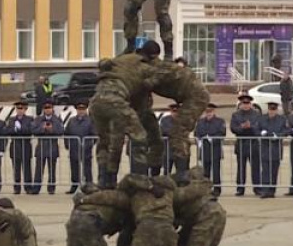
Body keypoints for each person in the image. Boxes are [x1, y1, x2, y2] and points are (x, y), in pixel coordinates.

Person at [90, 43, 162, 187]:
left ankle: (105, 179)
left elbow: (103, 63)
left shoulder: (121, 59)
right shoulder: (144, 67)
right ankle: (139, 178)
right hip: (116, 101)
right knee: (139, 137)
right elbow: (160, 81)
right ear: (152, 56)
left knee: (105, 141)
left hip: (96, 102)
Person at [146, 59, 211, 185]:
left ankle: (182, 173)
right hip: (189, 98)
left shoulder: (163, 72)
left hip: (196, 98)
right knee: (175, 135)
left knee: (178, 133)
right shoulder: (162, 69)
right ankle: (171, 170)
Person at [230, 94, 262, 196]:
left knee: (255, 168)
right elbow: (233, 128)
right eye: (244, 103)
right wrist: (243, 127)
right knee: (241, 168)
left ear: (250, 104)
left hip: (253, 144)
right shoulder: (236, 115)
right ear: (241, 104)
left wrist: (250, 127)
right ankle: (240, 188)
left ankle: (257, 188)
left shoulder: (256, 114)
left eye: (247, 103)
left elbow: (259, 128)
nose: (246, 105)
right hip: (241, 144)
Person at [256, 101, 287, 198]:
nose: (272, 112)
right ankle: (264, 190)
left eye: (273, 110)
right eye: (270, 109)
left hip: (276, 148)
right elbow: (256, 129)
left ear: (276, 110)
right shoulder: (262, 118)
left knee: (274, 170)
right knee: (265, 170)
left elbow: (286, 130)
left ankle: (272, 190)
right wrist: (261, 133)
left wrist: (278, 136)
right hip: (265, 148)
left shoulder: (281, 119)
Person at [194, 104, 226, 196]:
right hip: (205, 148)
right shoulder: (200, 121)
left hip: (215, 148)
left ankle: (217, 189)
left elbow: (222, 133)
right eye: (207, 112)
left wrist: (212, 138)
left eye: (210, 112)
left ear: (214, 111)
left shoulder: (219, 121)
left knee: (216, 171)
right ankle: (206, 189)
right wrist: (202, 138)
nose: (208, 114)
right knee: (205, 171)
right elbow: (197, 132)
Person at [64, 102, 95, 194]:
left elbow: (94, 134)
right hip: (74, 148)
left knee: (87, 169)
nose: (81, 111)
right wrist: (67, 144)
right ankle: (74, 185)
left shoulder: (90, 121)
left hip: (86, 149)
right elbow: (67, 133)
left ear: (86, 110)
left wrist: (89, 144)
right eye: (79, 109)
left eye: (83, 109)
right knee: (74, 168)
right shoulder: (72, 120)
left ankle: (89, 186)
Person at [6, 101, 35, 194]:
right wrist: (15, 129)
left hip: (25, 145)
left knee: (27, 168)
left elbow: (29, 130)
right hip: (15, 145)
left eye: (21, 108)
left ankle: (28, 187)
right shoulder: (11, 119)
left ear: (25, 109)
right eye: (18, 108)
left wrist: (20, 128)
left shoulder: (30, 119)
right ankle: (17, 187)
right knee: (16, 169)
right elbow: (8, 130)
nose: (19, 110)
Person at [33, 102, 63, 195]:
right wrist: (43, 128)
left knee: (52, 170)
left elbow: (61, 131)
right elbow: (33, 130)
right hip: (41, 147)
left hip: (52, 147)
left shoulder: (57, 119)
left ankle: (51, 188)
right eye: (45, 108)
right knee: (38, 170)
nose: (47, 109)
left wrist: (51, 129)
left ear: (52, 108)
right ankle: (36, 188)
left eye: (49, 107)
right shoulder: (38, 119)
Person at [158, 103, 180, 176]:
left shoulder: (183, 119)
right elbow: (163, 130)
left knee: (181, 173)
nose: (175, 113)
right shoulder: (165, 120)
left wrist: (171, 133)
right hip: (168, 150)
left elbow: (184, 130)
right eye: (173, 111)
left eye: (176, 111)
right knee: (167, 171)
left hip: (179, 150)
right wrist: (175, 132)